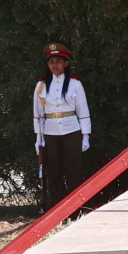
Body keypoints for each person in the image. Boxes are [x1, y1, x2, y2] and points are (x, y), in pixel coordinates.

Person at [34, 42, 92, 210]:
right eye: (52, 62)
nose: (55, 65)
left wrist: (85, 135)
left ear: (66, 63)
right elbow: (38, 114)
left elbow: (83, 109)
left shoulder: (75, 84)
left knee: (74, 170)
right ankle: (57, 209)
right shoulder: (41, 85)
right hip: (50, 132)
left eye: (58, 61)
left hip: (72, 130)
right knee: (54, 172)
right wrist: (38, 138)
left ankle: (76, 208)